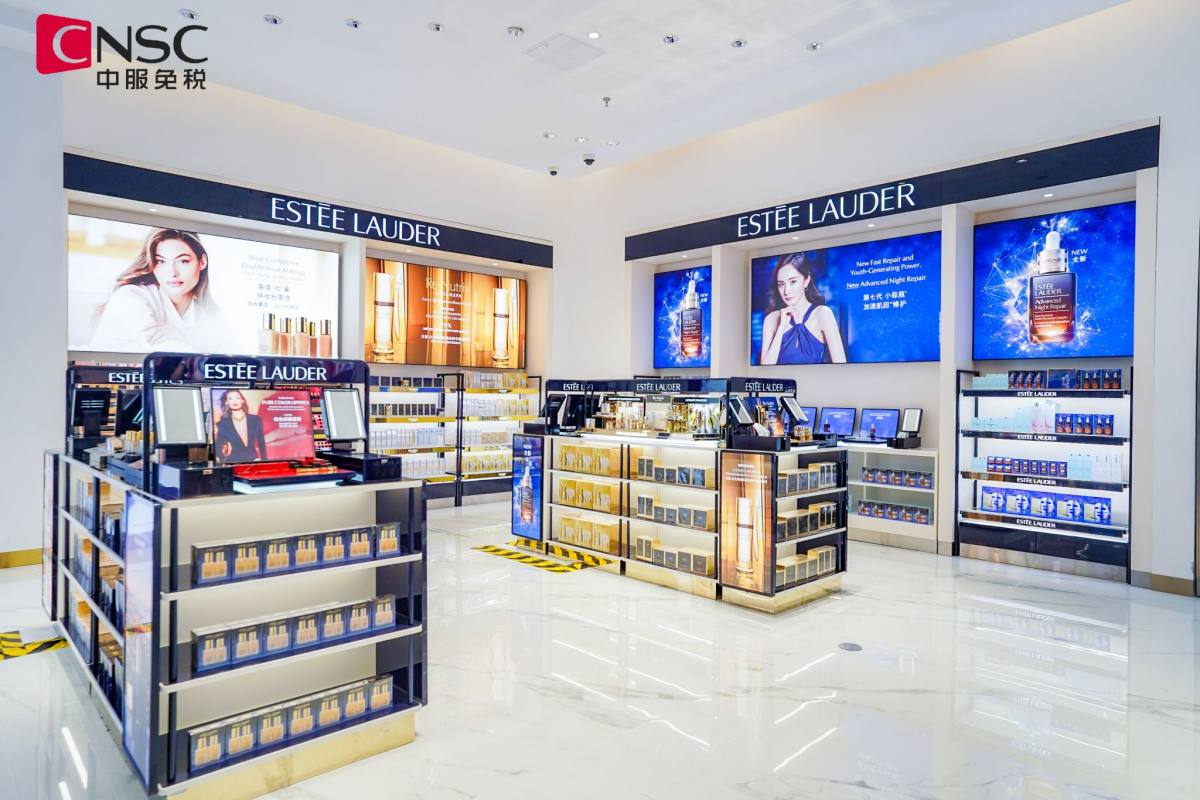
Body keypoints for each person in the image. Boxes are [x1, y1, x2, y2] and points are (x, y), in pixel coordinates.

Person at [88, 227, 228, 352]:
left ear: (202, 262)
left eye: (183, 261)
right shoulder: (131, 296)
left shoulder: (207, 314)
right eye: (161, 261)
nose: (172, 272)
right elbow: (162, 346)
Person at [759, 253, 847, 365]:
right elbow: (764, 369)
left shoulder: (823, 314)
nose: (786, 291)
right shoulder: (771, 319)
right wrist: (781, 328)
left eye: (793, 282)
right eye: (781, 284)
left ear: (806, 280)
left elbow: (841, 365)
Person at [214, 389, 267, 464]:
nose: (234, 401)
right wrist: (220, 462)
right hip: (234, 462)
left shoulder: (256, 420)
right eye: (230, 399)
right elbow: (218, 446)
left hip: (254, 461)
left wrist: (265, 461)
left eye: (237, 398)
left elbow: (261, 442)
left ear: (242, 400)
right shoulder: (222, 424)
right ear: (226, 402)